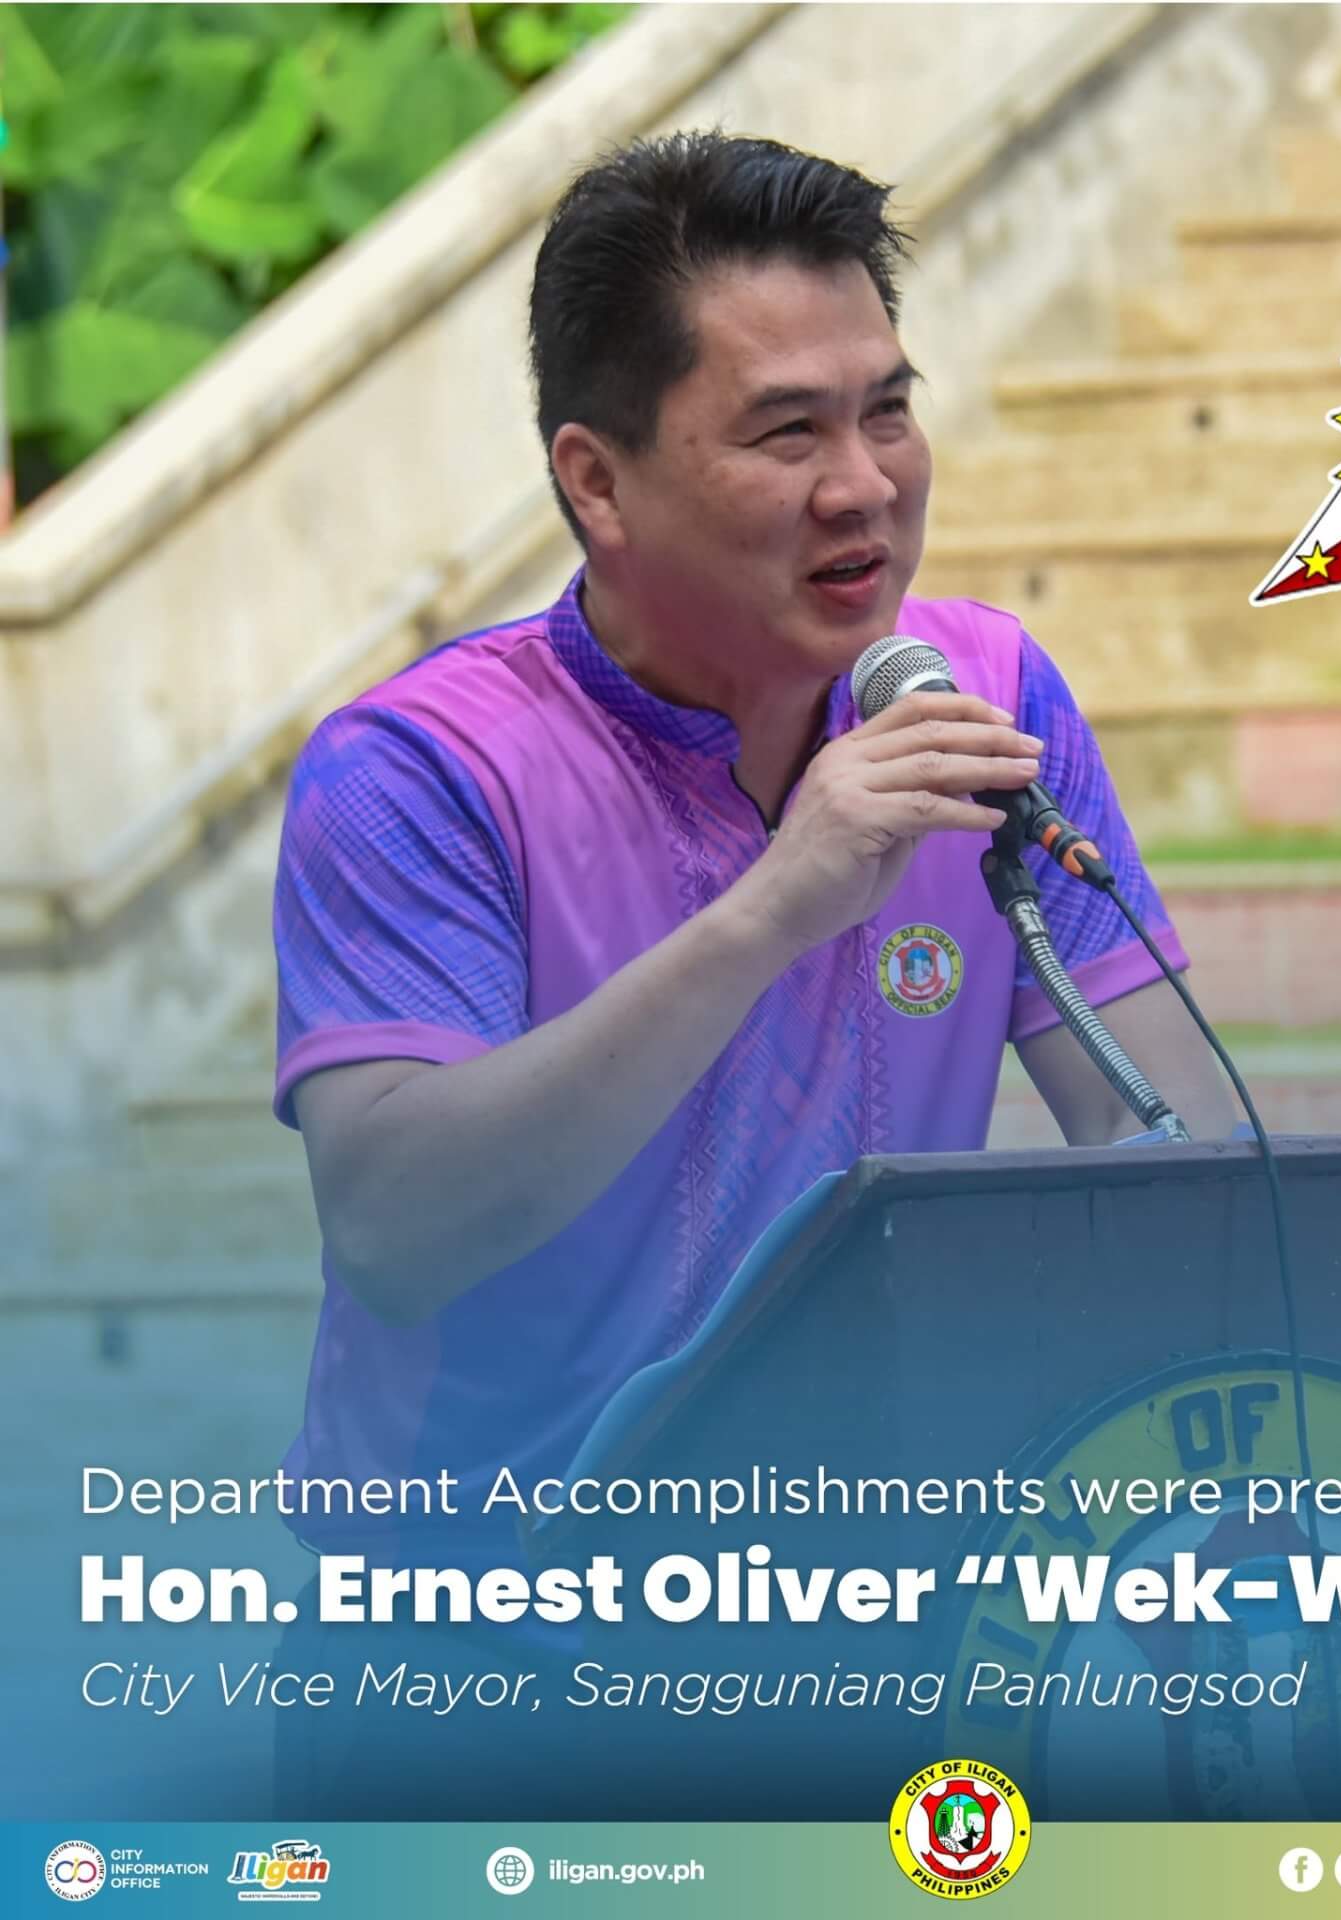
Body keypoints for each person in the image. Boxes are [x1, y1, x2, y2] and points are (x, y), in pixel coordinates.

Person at [270, 130, 1232, 1566]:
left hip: (869, 1596)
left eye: (888, 411)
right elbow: (399, 1225)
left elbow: (1174, 1129)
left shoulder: (985, 694)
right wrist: (773, 908)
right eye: (789, 433)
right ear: (598, 483)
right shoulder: (421, 769)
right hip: (477, 1642)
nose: (864, 486)